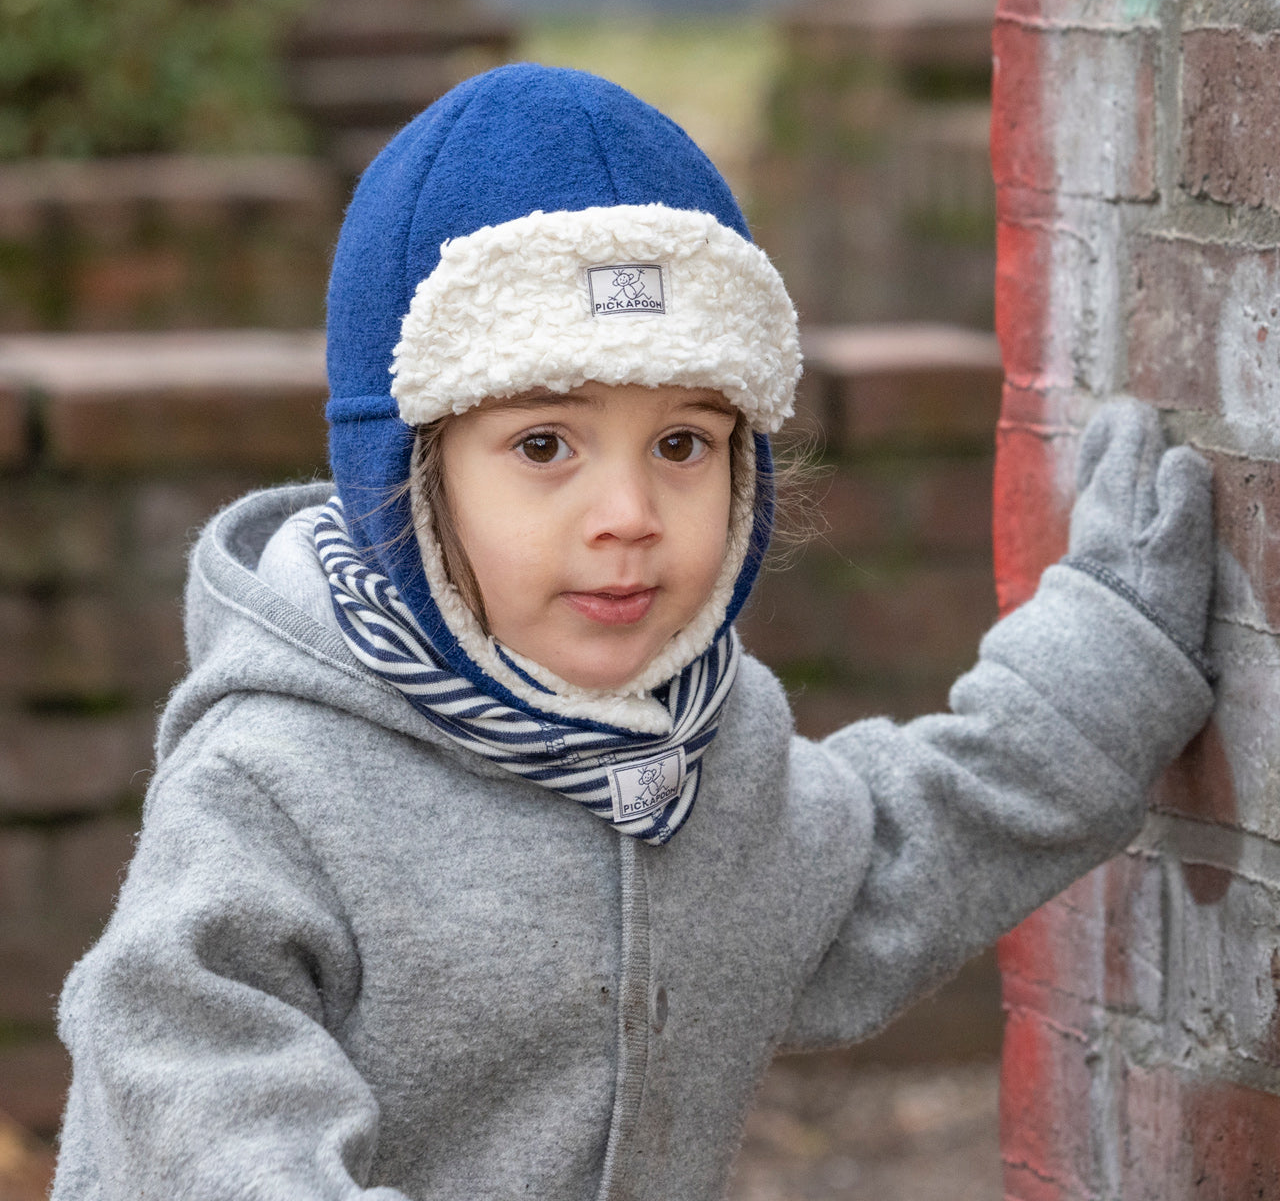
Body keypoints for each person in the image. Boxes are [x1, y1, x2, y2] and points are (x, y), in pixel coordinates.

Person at [51, 64, 1215, 1201]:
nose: (627, 514)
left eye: (681, 444)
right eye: (543, 445)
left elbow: (898, 857)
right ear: (404, 473)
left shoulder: (707, 754)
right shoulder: (270, 785)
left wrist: (1104, 658)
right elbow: (195, 1104)